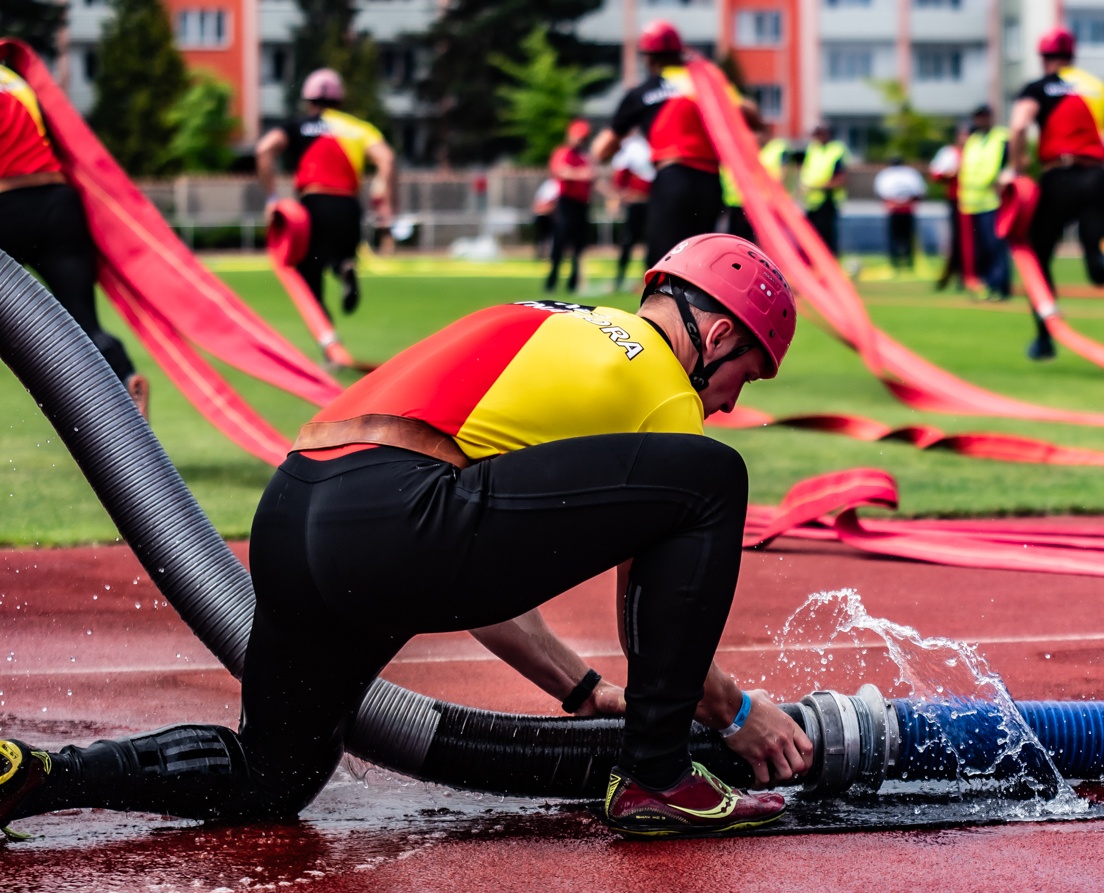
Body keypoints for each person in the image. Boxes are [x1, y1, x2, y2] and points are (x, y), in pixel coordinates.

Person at [0, 233, 814, 841]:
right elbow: (654, 621)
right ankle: (658, 778)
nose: (732, 402)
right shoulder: (665, 387)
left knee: (271, 775)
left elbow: (473, 577)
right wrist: (738, 711)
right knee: (713, 478)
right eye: (748, 374)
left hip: (297, 511)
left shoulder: (553, 324)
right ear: (716, 339)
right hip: (399, 515)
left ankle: (39, 774)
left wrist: (576, 692)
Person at [0, 62, 146, 416]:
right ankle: (125, 379)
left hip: (5, 208)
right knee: (83, 323)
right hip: (58, 204)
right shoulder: (14, 81)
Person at [1007, 29, 1104, 360]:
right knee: (1097, 239)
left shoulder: (1038, 87)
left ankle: (1045, 337)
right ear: (1073, 56)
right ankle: (1100, 262)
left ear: (1043, 58)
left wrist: (1018, 164)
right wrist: (1100, 156)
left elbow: (1019, 126)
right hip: (1097, 174)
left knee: (1039, 254)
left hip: (1057, 175)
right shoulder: (1096, 86)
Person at [594, 21, 760, 267]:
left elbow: (601, 150)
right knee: (701, 263)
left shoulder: (643, 92)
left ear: (648, 58)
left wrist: (617, 148)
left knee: (665, 260)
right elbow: (752, 116)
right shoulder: (705, 85)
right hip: (710, 183)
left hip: (673, 179)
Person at [255, 69, 396, 318]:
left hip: (313, 205)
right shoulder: (359, 129)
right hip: (349, 208)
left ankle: (327, 338)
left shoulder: (298, 126)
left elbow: (264, 149)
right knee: (340, 257)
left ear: (308, 99)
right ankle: (344, 268)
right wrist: (384, 201)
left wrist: (272, 198)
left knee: (309, 272)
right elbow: (388, 159)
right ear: (340, 100)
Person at [959, 105, 1011, 300]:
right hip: (972, 201)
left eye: (984, 117)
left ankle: (1000, 286)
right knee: (981, 249)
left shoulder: (1001, 137)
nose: (981, 121)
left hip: (993, 201)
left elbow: (1012, 162)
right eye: (978, 117)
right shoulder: (973, 140)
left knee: (995, 246)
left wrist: (1007, 177)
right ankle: (987, 285)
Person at [546, 118, 594, 294]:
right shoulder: (563, 153)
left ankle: (574, 282)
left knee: (579, 245)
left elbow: (591, 176)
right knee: (560, 241)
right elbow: (561, 171)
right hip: (566, 204)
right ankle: (552, 280)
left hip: (582, 205)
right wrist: (581, 174)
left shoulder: (584, 156)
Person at [723, 121, 788, 243]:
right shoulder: (749, 149)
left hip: (765, 204)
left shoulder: (776, 149)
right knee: (738, 238)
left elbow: (780, 177)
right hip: (741, 203)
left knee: (760, 241)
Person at [610, 132, 655, 290]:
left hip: (648, 203)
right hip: (637, 204)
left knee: (649, 242)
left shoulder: (639, 146)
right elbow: (620, 177)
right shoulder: (634, 147)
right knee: (629, 241)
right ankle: (619, 279)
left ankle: (646, 281)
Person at [800, 124, 849, 254]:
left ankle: (829, 267)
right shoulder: (813, 149)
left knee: (826, 237)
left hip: (828, 200)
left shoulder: (836, 151)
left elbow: (840, 179)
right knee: (810, 237)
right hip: (812, 201)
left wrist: (818, 186)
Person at [874, 156, 926, 272]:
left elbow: (881, 193)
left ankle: (897, 262)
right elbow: (920, 192)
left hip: (896, 209)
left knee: (896, 237)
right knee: (906, 237)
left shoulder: (886, 174)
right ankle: (906, 262)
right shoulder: (911, 174)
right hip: (905, 209)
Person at [928, 135, 964, 290]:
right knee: (957, 239)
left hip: (976, 201)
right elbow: (936, 173)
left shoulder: (974, 150)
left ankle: (961, 274)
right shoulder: (950, 152)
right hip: (957, 200)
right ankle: (955, 274)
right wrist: (950, 173)